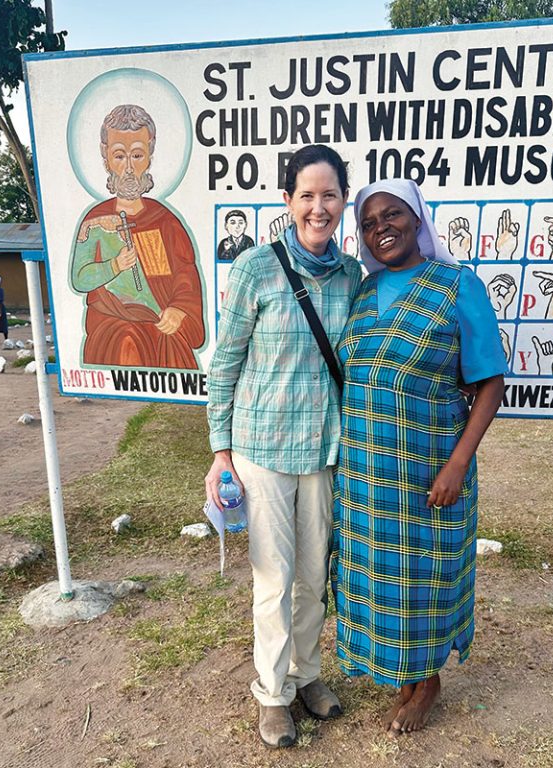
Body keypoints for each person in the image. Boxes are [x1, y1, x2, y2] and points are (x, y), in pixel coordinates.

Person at [332, 179, 506, 737]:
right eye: (367, 221)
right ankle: (398, 671)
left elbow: (490, 383)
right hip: (364, 471)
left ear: (418, 220)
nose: (381, 227)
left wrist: (457, 464)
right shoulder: (363, 292)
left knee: (425, 575)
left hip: (429, 467)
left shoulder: (457, 286)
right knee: (381, 576)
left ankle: (426, 680)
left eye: (393, 215)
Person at [205, 145, 362, 749]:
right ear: (288, 201)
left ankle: (305, 677)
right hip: (262, 450)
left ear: (343, 200)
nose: (318, 207)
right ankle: (272, 696)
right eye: (306, 195)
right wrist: (222, 452)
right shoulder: (255, 268)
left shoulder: (351, 276)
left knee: (312, 576)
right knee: (273, 579)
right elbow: (225, 364)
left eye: (329, 195)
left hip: (324, 452)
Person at [70, 104, 205, 369]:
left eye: (138, 155)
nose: (129, 168)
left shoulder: (163, 220)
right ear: (105, 155)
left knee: (176, 355)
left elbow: (184, 274)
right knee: (126, 342)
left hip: (158, 319)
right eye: (120, 156)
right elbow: (79, 278)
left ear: (150, 155)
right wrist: (115, 265)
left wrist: (179, 309)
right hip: (112, 319)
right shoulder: (94, 222)